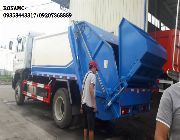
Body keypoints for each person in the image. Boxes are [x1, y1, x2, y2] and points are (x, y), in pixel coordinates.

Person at [80, 60, 98, 140]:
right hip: (89, 106)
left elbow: (83, 90)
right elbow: (91, 89)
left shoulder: (86, 75)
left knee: (85, 127)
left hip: (84, 105)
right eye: (96, 69)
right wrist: (94, 104)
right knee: (91, 129)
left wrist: (81, 105)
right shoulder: (93, 76)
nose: (96, 71)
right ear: (93, 67)